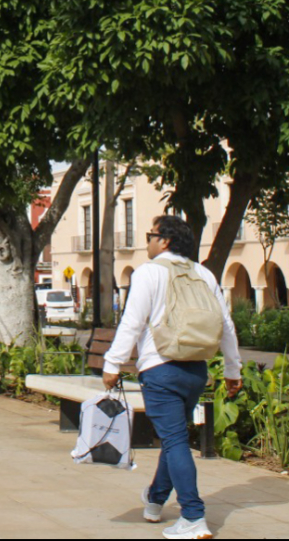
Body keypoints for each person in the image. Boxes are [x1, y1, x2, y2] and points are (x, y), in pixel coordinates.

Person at [102, 215, 242, 541]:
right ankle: (155, 500)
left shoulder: (148, 273)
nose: (147, 241)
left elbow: (133, 322)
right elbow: (226, 325)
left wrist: (113, 364)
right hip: (195, 370)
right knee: (174, 438)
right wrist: (233, 370)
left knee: (175, 441)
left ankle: (193, 517)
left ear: (164, 240)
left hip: (160, 368)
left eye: (150, 235)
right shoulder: (203, 273)